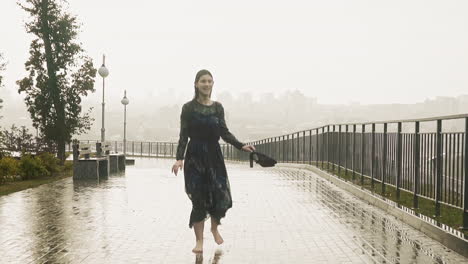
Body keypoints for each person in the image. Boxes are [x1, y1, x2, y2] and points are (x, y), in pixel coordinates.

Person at [171, 69, 255, 253]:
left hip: (214, 156)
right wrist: (179, 159)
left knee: (219, 194)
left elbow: (224, 132)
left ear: (213, 84)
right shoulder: (188, 108)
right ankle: (199, 241)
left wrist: (241, 145)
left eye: (209, 81)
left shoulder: (218, 107)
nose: (207, 84)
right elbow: (183, 135)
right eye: (203, 81)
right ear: (196, 84)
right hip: (194, 157)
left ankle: (214, 228)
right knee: (198, 199)